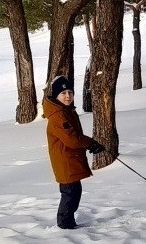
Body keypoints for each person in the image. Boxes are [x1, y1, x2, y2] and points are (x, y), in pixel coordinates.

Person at [43, 75, 105, 229]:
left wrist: (90, 144)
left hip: (70, 159)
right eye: (63, 93)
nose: (67, 96)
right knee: (70, 193)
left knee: (73, 192)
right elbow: (71, 139)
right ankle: (65, 224)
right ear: (56, 96)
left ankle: (67, 222)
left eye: (70, 92)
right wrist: (90, 143)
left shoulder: (65, 111)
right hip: (65, 161)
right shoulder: (58, 115)